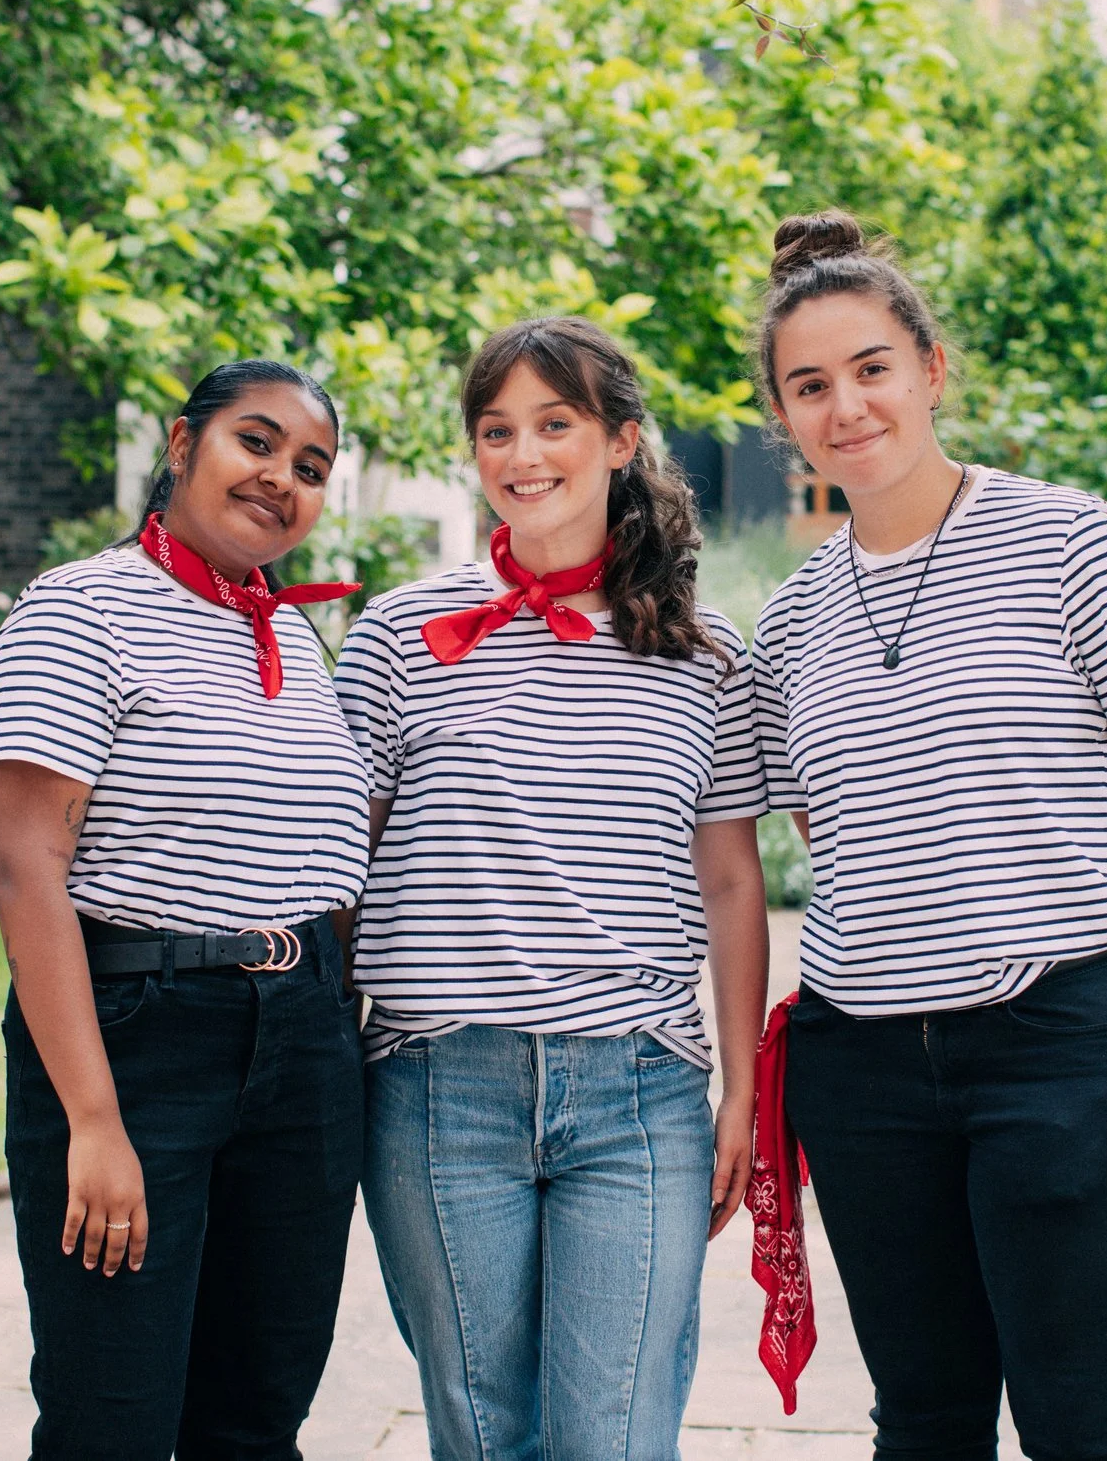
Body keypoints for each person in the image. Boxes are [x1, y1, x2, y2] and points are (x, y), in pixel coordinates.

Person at [748, 212, 1107, 1461]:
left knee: (1079, 1417)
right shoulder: (794, 618)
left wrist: (1094, 954)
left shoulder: (1073, 541)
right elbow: (837, 827)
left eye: (870, 368)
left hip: (1070, 1049)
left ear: (928, 369)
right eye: (810, 386)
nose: (845, 405)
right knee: (922, 1420)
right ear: (783, 415)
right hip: (861, 1069)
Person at [334, 318, 772, 1461]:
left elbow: (730, 881)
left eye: (555, 424)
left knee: (616, 1438)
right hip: (439, 1084)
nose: (523, 454)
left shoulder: (704, 650)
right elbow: (342, 866)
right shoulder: (396, 634)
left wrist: (737, 1093)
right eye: (496, 430)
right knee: (482, 1437)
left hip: (637, 1090)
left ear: (621, 439)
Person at [0, 359, 370, 1460]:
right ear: (181, 441)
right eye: (257, 441)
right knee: (113, 1416)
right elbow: (24, 866)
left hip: (303, 1044)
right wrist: (94, 1121)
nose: (280, 478)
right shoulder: (79, 607)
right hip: (142, 1037)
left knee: (255, 1417)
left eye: (311, 466)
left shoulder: (289, 634)